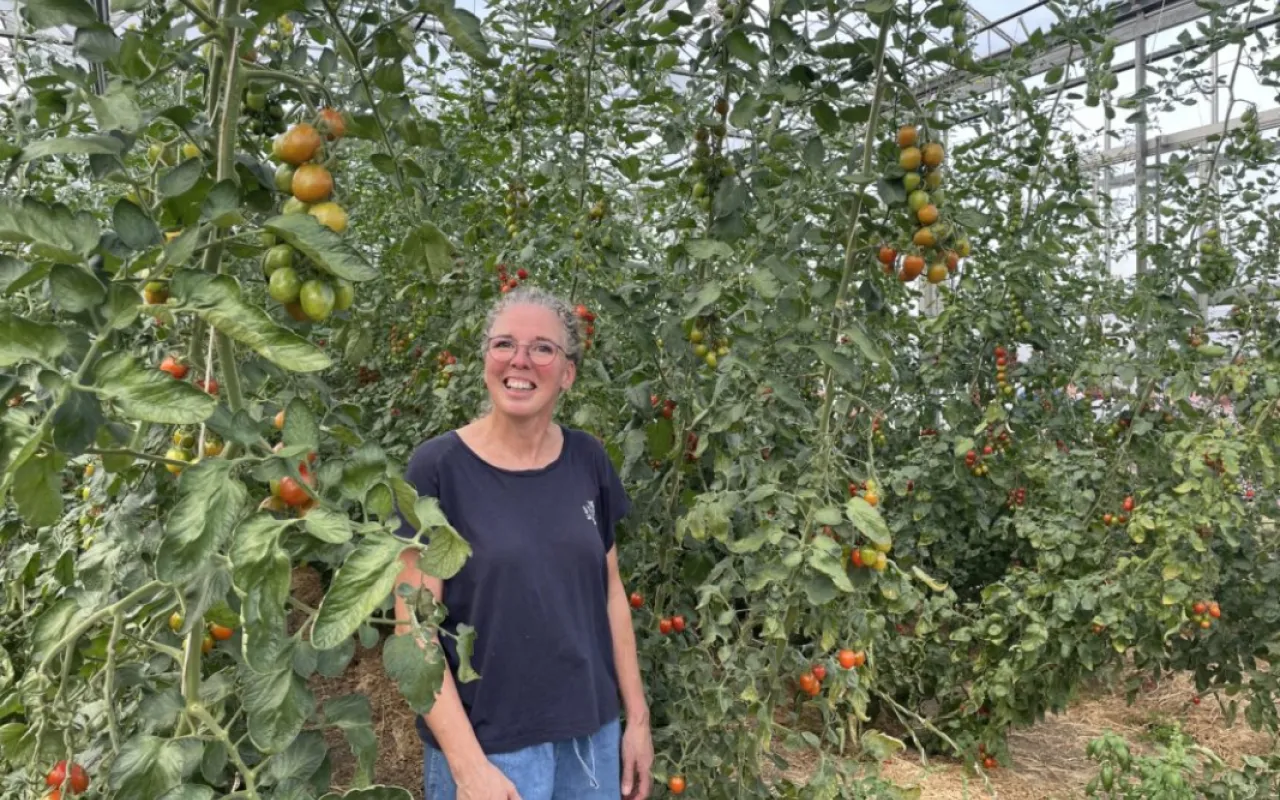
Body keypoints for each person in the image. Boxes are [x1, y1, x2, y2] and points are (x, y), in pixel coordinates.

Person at [393, 286, 653, 800]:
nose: (520, 360)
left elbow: (610, 595)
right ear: (486, 359)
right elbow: (414, 630)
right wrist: (468, 768)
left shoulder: (588, 460)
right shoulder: (438, 469)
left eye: (543, 348)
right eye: (504, 344)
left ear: (568, 373)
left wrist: (637, 720)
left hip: (590, 737)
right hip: (491, 747)